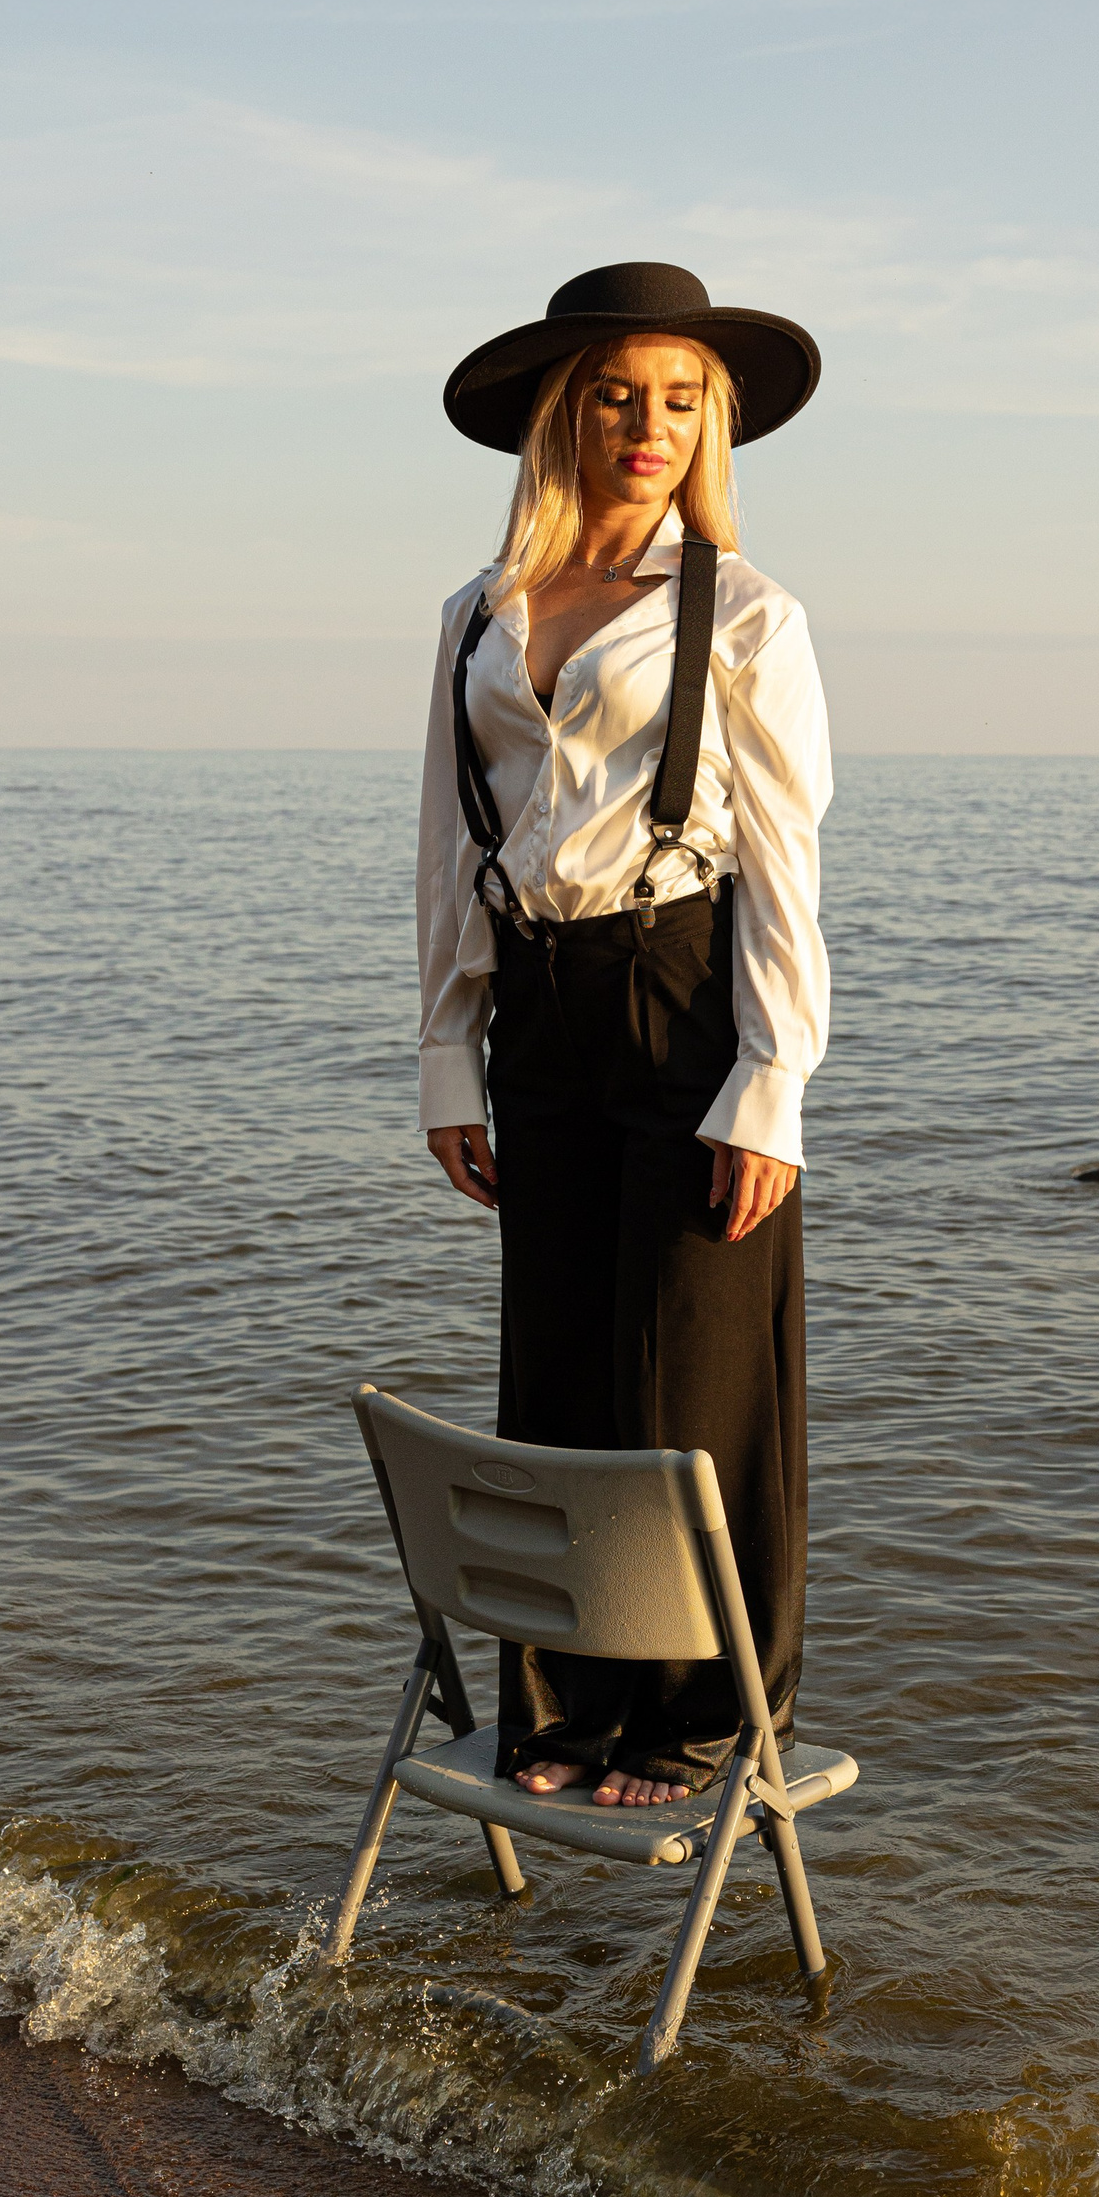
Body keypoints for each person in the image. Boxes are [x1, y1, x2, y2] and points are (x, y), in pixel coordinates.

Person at [416, 262, 830, 1808]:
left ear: (709, 419)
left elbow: (789, 856)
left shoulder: (749, 611)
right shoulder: (479, 609)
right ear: (563, 412)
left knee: (697, 1380)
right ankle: (572, 1697)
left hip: (684, 995)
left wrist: (770, 1080)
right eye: (615, 395)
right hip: (535, 1004)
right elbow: (452, 838)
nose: (647, 425)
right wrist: (446, 1046)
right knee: (564, 1369)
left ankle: (701, 1717)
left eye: (678, 399)